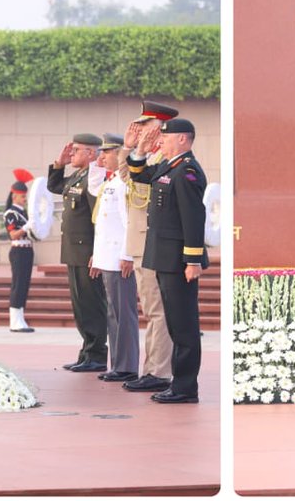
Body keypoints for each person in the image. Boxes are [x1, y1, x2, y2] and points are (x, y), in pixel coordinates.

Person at [126, 116, 208, 403]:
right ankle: (178, 383)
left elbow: (193, 218)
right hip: (163, 258)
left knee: (184, 325)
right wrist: (140, 149)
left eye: (167, 137)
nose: (162, 141)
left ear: (183, 138)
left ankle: (186, 387)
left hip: (178, 261)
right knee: (174, 323)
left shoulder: (188, 171)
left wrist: (193, 261)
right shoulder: (167, 167)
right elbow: (137, 173)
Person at [120, 102, 180, 393]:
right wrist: (128, 148)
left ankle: (159, 371)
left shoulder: (163, 160)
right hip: (140, 243)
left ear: (158, 129)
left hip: (151, 243)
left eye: (143, 127)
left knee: (158, 311)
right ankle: (151, 369)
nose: (137, 131)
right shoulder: (145, 157)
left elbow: (139, 181)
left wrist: (138, 152)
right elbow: (125, 177)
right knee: (152, 311)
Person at [47, 132, 108, 372]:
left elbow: (99, 218)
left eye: (76, 150)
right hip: (73, 250)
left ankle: (97, 355)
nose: (71, 154)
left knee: (92, 304)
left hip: (87, 251)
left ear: (91, 153)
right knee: (80, 304)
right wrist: (58, 164)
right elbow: (55, 186)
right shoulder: (78, 176)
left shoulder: (95, 177)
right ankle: (86, 352)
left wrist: (98, 252)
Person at [89, 134, 138, 383]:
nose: (101, 157)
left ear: (119, 154)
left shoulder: (123, 183)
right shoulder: (110, 181)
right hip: (108, 259)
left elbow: (129, 221)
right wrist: (97, 258)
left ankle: (127, 365)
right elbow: (103, 225)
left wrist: (127, 255)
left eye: (106, 153)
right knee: (113, 314)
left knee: (123, 314)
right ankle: (118, 364)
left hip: (120, 259)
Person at [3, 168, 36, 333]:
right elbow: (13, 234)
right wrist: (26, 228)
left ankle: (20, 318)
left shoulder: (24, 213)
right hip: (18, 251)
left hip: (27, 250)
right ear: (14, 195)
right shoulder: (11, 214)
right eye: (23, 196)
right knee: (18, 284)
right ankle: (14, 321)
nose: (25, 199)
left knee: (24, 285)